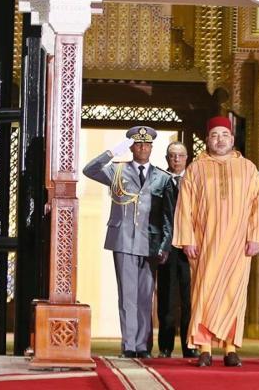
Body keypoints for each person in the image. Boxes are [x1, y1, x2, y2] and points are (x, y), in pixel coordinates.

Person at [174, 116, 259, 368]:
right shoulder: (195, 169)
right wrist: (187, 239)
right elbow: (185, 207)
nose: (220, 140)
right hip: (205, 243)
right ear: (207, 140)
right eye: (215, 135)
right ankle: (204, 348)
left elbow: (257, 206)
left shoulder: (248, 168)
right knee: (204, 293)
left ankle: (230, 348)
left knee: (233, 294)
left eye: (224, 135)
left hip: (238, 245)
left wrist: (256, 237)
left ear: (232, 139)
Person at [83, 126, 173, 358]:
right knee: (127, 295)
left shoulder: (163, 177)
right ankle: (129, 345)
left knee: (145, 296)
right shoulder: (117, 170)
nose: (142, 148)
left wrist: (165, 245)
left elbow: (168, 216)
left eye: (147, 145)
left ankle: (143, 346)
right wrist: (113, 152)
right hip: (123, 240)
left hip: (150, 243)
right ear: (132, 147)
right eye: (138, 144)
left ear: (152, 148)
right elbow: (89, 170)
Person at [156, 141, 199, 358]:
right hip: (168, 247)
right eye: (172, 155)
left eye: (180, 155)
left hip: (191, 245)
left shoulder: (195, 181)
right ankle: (165, 347)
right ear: (167, 159)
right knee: (167, 297)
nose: (176, 159)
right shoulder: (159, 180)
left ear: (187, 158)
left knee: (190, 297)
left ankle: (190, 345)